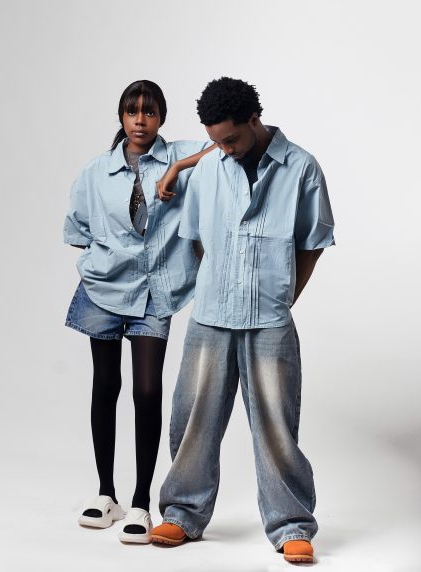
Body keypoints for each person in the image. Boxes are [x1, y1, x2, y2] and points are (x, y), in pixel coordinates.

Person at [152, 77, 335, 564]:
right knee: (193, 417)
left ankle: (291, 524)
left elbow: (313, 243)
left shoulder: (302, 168)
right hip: (210, 315)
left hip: (269, 319)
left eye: (231, 139)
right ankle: (182, 513)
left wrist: (283, 295)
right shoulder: (209, 169)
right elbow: (196, 238)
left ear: (255, 120)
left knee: (276, 425)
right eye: (216, 142)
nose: (225, 149)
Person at [63, 80, 213, 544]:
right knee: (105, 385)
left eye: (149, 112)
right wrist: (104, 259)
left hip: (153, 292)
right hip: (103, 290)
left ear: (161, 117)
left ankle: (142, 501)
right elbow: (78, 229)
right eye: (132, 112)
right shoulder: (96, 170)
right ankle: (105, 493)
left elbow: (226, 146)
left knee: (147, 392)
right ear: (122, 117)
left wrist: (177, 169)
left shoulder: (179, 156)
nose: (140, 121)